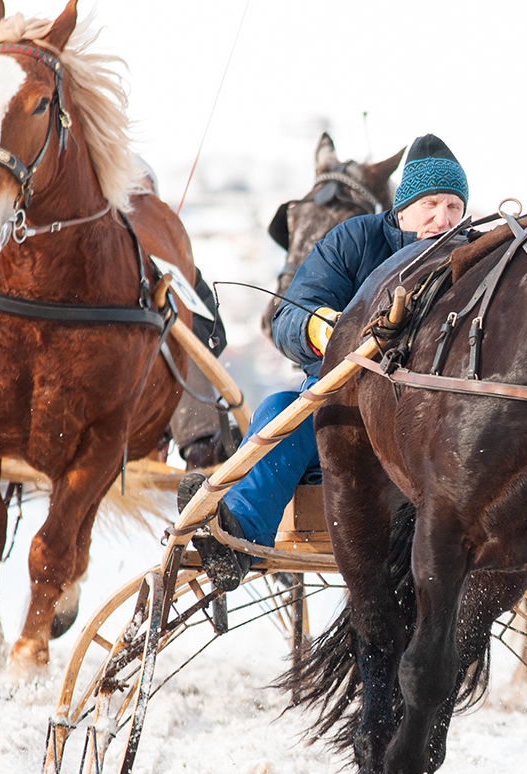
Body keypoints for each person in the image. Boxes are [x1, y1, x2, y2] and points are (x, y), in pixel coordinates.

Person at [179, 134, 469, 590]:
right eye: (431, 202)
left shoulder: (476, 255)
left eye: (454, 206)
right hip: (346, 410)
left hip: (435, 430)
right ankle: (238, 536)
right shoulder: (355, 239)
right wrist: (323, 328)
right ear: (403, 205)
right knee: (282, 411)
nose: (443, 218)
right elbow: (291, 314)